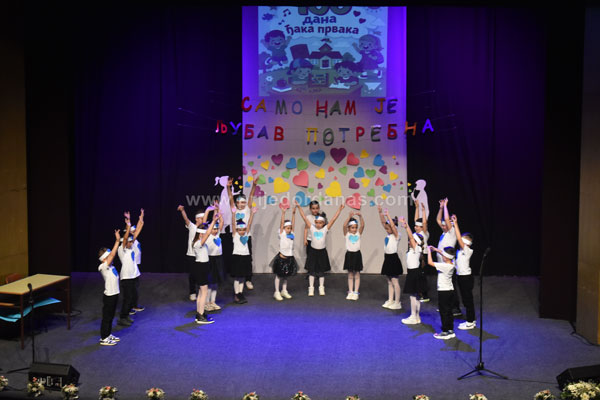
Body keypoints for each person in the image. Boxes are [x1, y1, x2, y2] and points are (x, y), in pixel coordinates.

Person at [296, 201, 345, 296]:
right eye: (317, 222)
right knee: (312, 271)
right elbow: (304, 217)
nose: (318, 224)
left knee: (321, 271)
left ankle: (321, 287)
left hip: (322, 252)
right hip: (313, 252)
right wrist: (299, 207)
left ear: (323, 223)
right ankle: (311, 288)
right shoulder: (312, 228)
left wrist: (339, 209)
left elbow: (334, 219)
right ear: (315, 223)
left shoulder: (325, 229)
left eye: (320, 223)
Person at [227, 177, 257, 290]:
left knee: (248, 258)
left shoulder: (247, 209)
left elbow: (251, 196)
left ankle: (248, 280)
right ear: (236, 203)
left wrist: (254, 185)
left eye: (243, 202)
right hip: (236, 237)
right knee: (237, 258)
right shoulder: (234, 210)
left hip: (246, 236)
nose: (241, 204)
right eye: (239, 202)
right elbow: (230, 197)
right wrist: (228, 187)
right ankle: (238, 277)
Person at [117, 211, 144, 327]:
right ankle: (122, 317)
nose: (131, 242)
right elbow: (126, 238)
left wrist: (141, 218)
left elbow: (137, 232)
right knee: (127, 299)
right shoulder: (121, 250)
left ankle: (126, 315)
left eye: (131, 241)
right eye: (129, 241)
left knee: (132, 297)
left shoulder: (131, 247)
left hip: (133, 276)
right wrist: (128, 224)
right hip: (126, 277)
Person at [192, 215, 220, 324]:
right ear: (200, 234)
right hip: (201, 267)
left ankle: (200, 313)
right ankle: (201, 316)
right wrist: (213, 221)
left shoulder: (198, 242)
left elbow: (207, 233)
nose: (206, 236)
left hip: (202, 266)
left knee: (201, 292)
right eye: (204, 234)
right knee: (204, 292)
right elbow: (208, 233)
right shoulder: (198, 243)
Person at [436, 198, 461, 316]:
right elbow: (438, 219)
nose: (443, 225)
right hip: (442, 264)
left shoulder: (452, 232)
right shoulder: (444, 232)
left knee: (451, 286)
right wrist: (441, 208)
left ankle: (455, 308)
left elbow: (446, 219)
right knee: (444, 286)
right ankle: (446, 305)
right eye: (443, 225)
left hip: (449, 264)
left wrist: (445, 205)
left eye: (445, 224)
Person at [177, 205, 208, 301]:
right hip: (192, 255)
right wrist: (182, 210)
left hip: (201, 256)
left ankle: (201, 291)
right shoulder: (192, 227)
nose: (203, 220)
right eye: (201, 218)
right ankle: (192, 292)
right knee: (192, 274)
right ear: (197, 219)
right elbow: (186, 220)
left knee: (200, 274)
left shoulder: (204, 229)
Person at [451, 215, 476, 330]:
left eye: (463, 239)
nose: (460, 241)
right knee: (465, 300)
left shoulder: (468, 250)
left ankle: (470, 322)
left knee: (467, 300)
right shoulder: (459, 251)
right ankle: (471, 319)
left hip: (466, 278)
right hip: (460, 277)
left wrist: (455, 224)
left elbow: (459, 239)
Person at [98, 229, 122, 346]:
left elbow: (112, 255)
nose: (111, 258)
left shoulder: (112, 267)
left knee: (111, 316)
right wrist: (117, 241)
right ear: (103, 259)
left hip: (115, 294)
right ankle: (104, 338)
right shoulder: (103, 267)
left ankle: (108, 334)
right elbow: (112, 254)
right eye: (108, 257)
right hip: (109, 296)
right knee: (107, 317)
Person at [427, 245, 457, 339]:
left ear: (446, 257)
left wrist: (429, 251)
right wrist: (436, 249)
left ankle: (445, 332)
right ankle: (450, 329)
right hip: (450, 290)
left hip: (443, 291)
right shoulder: (452, 263)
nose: (442, 256)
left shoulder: (444, 266)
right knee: (449, 311)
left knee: (443, 311)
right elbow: (447, 255)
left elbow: (430, 262)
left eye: (443, 255)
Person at [399, 217, 425, 324]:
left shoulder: (416, 248)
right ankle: (417, 317)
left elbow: (410, 236)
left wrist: (406, 227)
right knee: (416, 296)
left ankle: (413, 316)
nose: (410, 241)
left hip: (413, 274)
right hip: (414, 273)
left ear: (416, 242)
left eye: (412, 240)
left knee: (413, 296)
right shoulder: (414, 249)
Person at [270, 206, 299, 301]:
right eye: (287, 228)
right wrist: (283, 213)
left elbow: (293, 224)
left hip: (289, 258)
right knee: (279, 275)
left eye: (290, 228)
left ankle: (284, 290)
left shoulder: (292, 234)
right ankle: (276, 292)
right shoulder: (282, 234)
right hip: (281, 258)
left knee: (286, 276)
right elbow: (281, 223)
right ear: (283, 228)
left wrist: (293, 214)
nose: (289, 229)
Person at [377, 206, 403, 310]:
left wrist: (388, 215)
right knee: (389, 281)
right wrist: (380, 213)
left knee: (395, 281)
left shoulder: (397, 235)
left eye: (388, 228)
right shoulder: (388, 235)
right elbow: (383, 223)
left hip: (393, 259)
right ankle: (391, 300)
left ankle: (397, 302)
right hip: (387, 258)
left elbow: (392, 227)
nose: (386, 229)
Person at [230, 207, 257, 304]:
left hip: (245, 256)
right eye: (240, 230)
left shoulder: (246, 234)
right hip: (237, 257)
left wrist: (252, 214)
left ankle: (241, 293)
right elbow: (233, 224)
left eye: (243, 230)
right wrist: (233, 214)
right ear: (237, 230)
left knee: (242, 277)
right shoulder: (235, 235)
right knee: (237, 277)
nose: (242, 231)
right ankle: (236, 293)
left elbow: (249, 224)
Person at [205, 207, 225, 312]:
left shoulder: (218, 234)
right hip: (210, 260)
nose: (215, 230)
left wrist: (218, 212)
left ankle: (213, 301)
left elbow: (221, 222)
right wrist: (210, 212)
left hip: (218, 259)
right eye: (213, 228)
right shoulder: (207, 235)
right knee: (209, 282)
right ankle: (206, 303)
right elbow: (205, 223)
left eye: (216, 229)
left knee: (215, 282)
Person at [342, 211, 365, 300]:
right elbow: (344, 225)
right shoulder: (347, 234)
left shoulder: (358, 234)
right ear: (349, 228)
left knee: (357, 274)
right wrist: (349, 217)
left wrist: (360, 216)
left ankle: (356, 292)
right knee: (350, 274)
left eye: (355, 227)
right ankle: (350, 291)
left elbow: (362, 226)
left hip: (357, 255)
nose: (354, 229)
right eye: (352, 227)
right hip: (349, 255)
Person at [128, 209, 145, 315]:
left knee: (135, 287)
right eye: (133, 231)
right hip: (132, 266)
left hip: (136, 265)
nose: (135, 232)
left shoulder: (135, 240)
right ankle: (130, 307)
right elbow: (139, 227)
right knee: (132, 287)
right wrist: (140, 219)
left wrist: (141, 216)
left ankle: (133, 305)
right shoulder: (131, 241)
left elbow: (139, 226)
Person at [414, 199, 430, 303]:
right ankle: (419, 293)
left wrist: (423, 211)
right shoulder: (416, 233)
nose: (415, 227)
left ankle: (424, 295)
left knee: (422, 275)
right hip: (417, 255)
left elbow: (424, 222)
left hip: (423, 255)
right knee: (417, 275)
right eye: (415, 226)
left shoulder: (425, 233)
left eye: (417, 226)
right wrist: (417, 208)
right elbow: (416, 219)